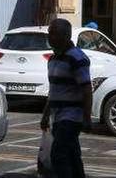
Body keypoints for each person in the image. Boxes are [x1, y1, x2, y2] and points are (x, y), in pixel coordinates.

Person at [40, 18, 92, 178]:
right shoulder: (53, 59)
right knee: (72, 156)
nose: (49, 37)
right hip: (57, 116)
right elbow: (54, 90)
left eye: (52, 33)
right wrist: (46, 114)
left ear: (65, 36)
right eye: (49, 33)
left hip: (71, 117)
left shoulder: (77, 58)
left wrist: (86, 117)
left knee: (59, 155)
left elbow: (87, 90)